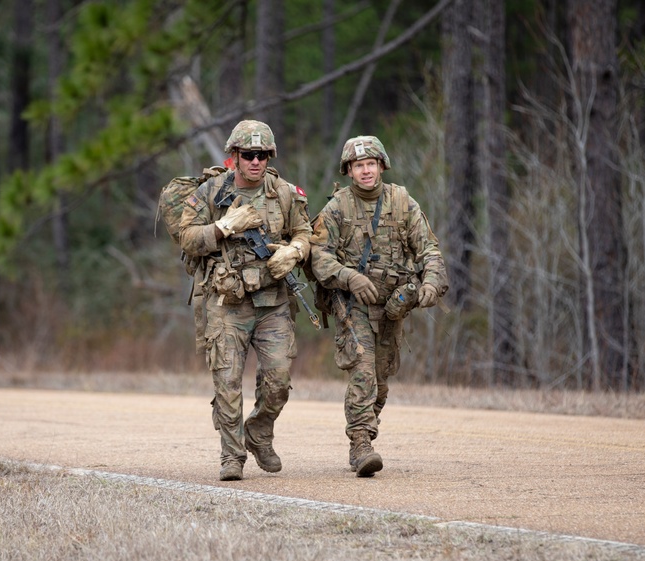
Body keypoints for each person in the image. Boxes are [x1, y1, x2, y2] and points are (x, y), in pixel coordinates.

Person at [179, 120, 312, 481]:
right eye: (248, 155)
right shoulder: (210, 193)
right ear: (234, 156)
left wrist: (296, 251)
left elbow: (304, 230)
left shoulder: (284, 193)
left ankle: (259, 431)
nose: (256, 162)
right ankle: (232, 456)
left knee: (279, 380)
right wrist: (223, 227)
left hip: (273, 301)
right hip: (226, 302)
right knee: (227, 381)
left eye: (262, 155)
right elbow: (187, 238)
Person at [307, 135, 448, 477]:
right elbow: (317, 257)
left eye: (371, 164)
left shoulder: (402, 203)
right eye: (358, 166)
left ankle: (367, 429)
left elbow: (429, 249)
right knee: (363, 371)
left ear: (381, 166)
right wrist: (348, 277)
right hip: (354, 305)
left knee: (381, 381)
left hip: (393, 306)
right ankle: (360, 444)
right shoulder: (337, 208)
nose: (366, 170)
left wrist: (430, 282)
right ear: (349, 171)